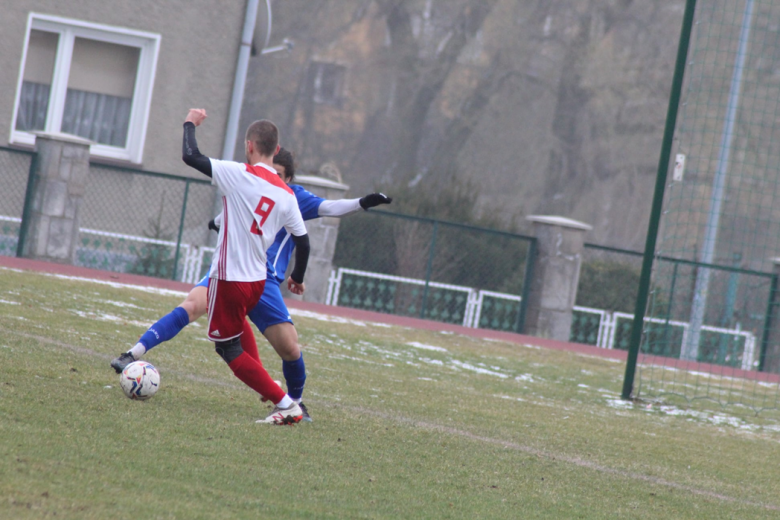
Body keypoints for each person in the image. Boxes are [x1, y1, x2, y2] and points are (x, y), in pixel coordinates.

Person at [111, 147, 392, 422]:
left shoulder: (293, 197)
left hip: (264, 279)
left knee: (290, 348)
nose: (274, 178)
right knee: (194, 304)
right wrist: (216, 223)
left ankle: (295, 403)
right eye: (272, 171)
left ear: (290, 179)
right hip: (229, 270)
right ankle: (131, 354)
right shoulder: (251, 182)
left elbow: (331, 208)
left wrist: (363, 202)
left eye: (280, 175)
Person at [179, 108, 310, 425]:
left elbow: (190, 156)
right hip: (258, 281)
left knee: (227, 348)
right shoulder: (287, 194)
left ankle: (286, 404)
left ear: (249, 146)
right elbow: (303, 243)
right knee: (238, 329)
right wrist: (297, 277)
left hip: (230, 278)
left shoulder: (238, 173)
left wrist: (189, 124)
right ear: (276, 150)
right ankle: (273, 390)